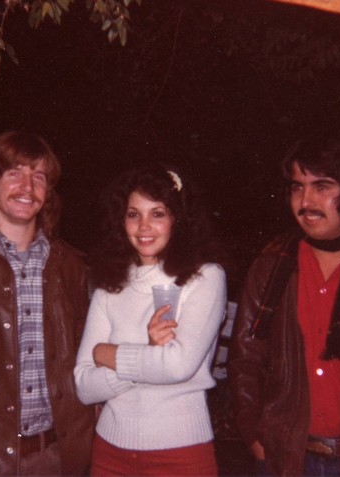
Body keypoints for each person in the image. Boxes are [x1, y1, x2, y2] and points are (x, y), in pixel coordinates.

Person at [228, 135, 340, 477]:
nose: (306, 201)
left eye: (322, 186)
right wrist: (253, 435)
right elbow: (245, 358)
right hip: (287, 458)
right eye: (297, 187)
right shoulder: (272, 266)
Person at [0, 130, 95, 476]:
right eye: (14, 173)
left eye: (39, 177)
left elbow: (86, 357)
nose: (27, 187)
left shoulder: (72, 267)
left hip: (58, 458)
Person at [74, 165, 228, 476]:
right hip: (109, 452)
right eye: (133, 214)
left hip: (181, 452)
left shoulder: (205, 277)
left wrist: (107, 354)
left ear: (177, 219)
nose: (144, 226)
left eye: (157, 214)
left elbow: (178, 366)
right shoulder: (110, 286)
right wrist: (147, 351)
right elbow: (84, 386)